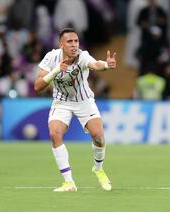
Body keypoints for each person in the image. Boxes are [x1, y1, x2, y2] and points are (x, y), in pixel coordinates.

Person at [34, 28, 116, 192]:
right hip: (61, 102)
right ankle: (68, 182)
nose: (74, 45)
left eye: (76, 41)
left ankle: (98, 169)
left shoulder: (82, 56)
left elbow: (95, 64)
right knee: (54, 134)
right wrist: (56, 70)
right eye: (70, 42)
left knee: (98, 137)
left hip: (84, 101)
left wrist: (106, 64)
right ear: (61, 44)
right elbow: (38, 86)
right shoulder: (51, 57)